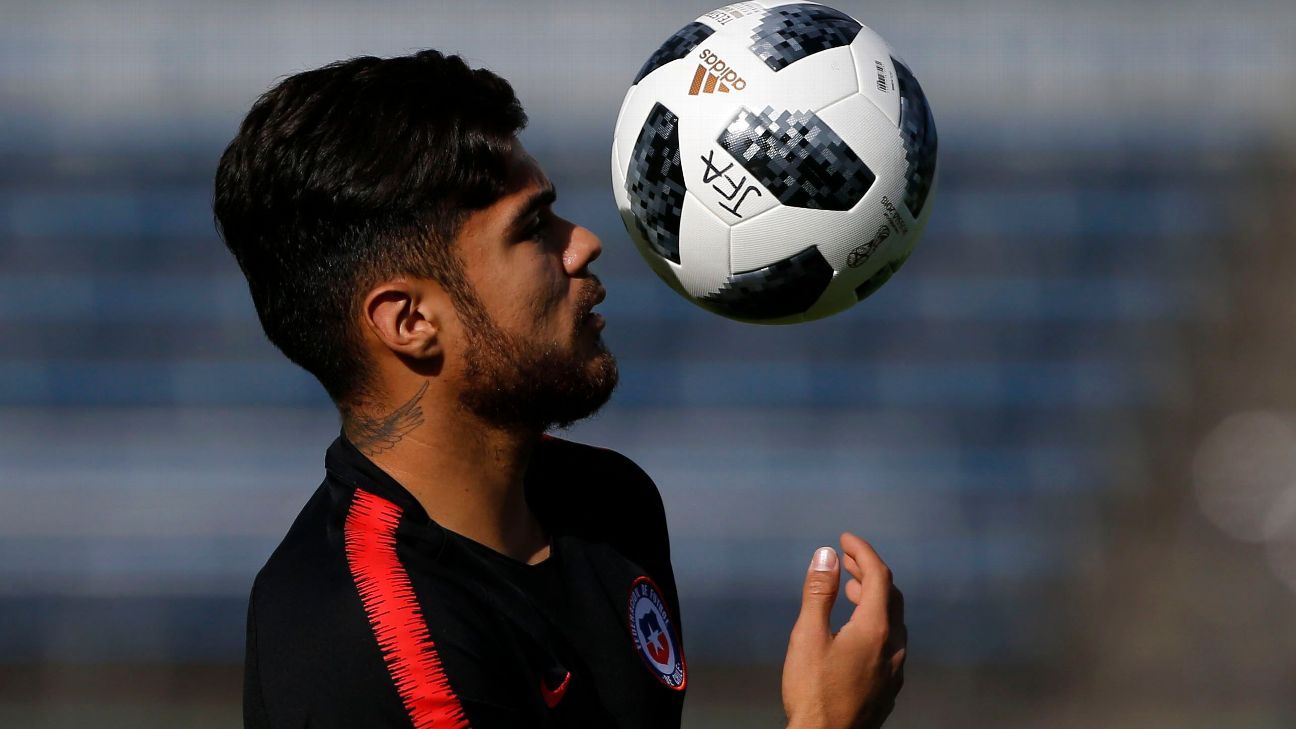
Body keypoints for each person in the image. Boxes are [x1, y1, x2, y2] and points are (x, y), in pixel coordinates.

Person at [214, 49, 905, 729]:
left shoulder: (607, 503)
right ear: (412, 321)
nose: (584, 244)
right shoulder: (368, 640)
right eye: (532, 228)